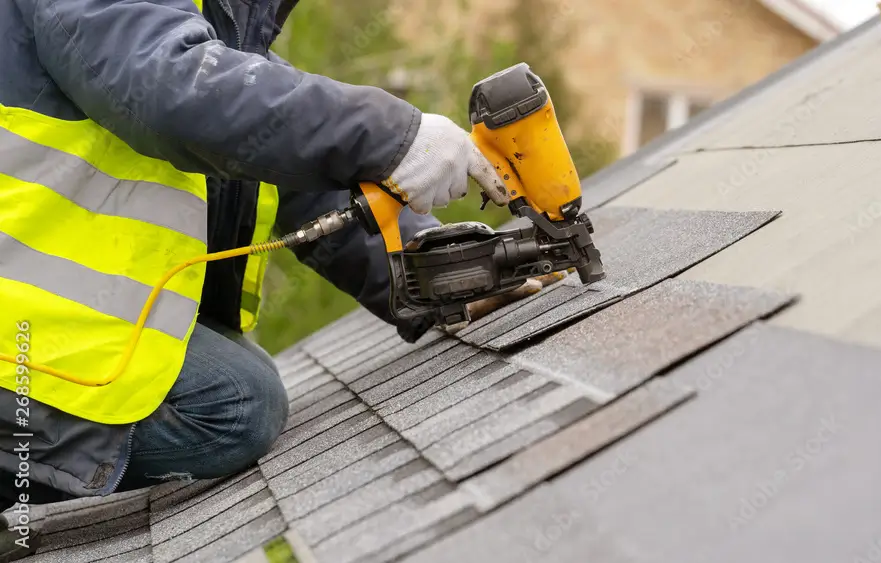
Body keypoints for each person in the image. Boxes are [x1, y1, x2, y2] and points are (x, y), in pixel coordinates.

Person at [0, 0, 536, 559]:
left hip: (47, 320)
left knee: (238, 388)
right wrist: (392, 136)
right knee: (233, 403)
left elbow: (299, 176)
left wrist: (439, 273)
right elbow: (172, 89)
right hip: (18, 335)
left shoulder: (223, 22)